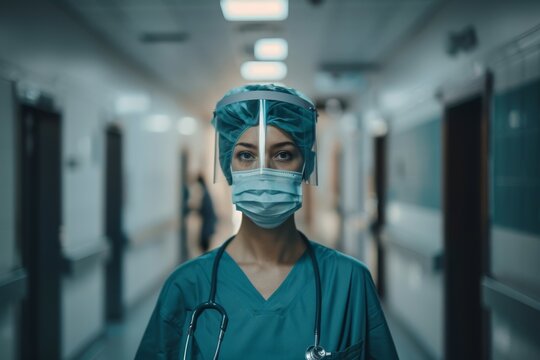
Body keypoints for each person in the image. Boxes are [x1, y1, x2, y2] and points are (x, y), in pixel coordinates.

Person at [135, 84, 398, 360]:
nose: (264, 172)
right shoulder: (187, 286)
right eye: (246, 155)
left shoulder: (349, 282)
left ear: (305, 165)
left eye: (283, 154)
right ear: (228, 166)